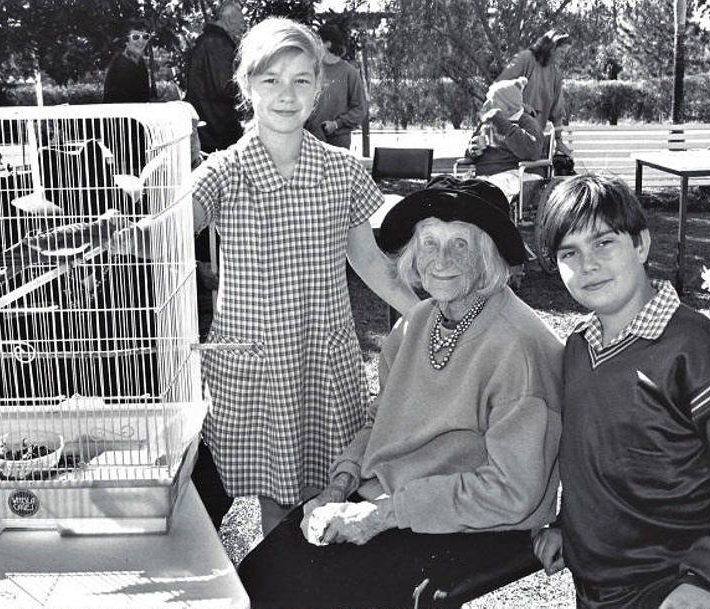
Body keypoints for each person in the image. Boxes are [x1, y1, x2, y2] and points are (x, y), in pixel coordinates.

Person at [236, 175, 564, 609]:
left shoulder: (517, 349)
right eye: (429, 242)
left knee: (308, 597)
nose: (441, 259)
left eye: (460, 245)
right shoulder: (415, 323)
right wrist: (339, 485)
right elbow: (380, 420)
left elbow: (511, 492)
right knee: (257, 578)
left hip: (474, 522)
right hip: (394, 501)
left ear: (488, 259)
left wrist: (382, 515)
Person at [188, 17, 420, 537]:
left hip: (321, 354)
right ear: (247, 87)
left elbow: (368, 260)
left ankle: (312, 578)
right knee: (273, 500)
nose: (286, 95)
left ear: (318, 89)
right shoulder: (223, 171)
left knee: (323, 492)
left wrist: (426, 314)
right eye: (270, 80)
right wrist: (128, 218)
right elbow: (169, 226)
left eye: (300, 80)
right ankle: (280, 581)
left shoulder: (341, 170)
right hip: (258, 363)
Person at [532, 174, 710, 609]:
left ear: (641, 245)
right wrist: (567, 524)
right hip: (595, 589)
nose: (587, 264)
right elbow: (596, 459)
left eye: (603, 243)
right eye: (569, 253)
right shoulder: (578, 348)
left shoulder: (700, 350)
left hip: (676, 587)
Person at [185, 0, 246, 340]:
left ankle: (214, 277)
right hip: (219, 136)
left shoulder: (203, 43)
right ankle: (219, 280)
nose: (242, 25)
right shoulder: (219, 45)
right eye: (238, 20)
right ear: (224, 20)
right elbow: (228, 88)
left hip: (209, 133)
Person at [464, 76, 545, 200]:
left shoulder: (527, 122)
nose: (487, 105)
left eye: (493, 101)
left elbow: (532, 151)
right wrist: (472, 151)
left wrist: (503, 124)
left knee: (491, 190)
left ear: (508, 105)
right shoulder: (487, 123)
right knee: (459, 190)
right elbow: (469, 154)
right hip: (485, 176)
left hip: (517, 174)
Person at [497, 29, 573, 158]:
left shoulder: (555, 74)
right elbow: (499, 90)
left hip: (532, 143)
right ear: (551, 47)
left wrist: (559, 141)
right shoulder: (525, 59)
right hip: (507, 140)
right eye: (561, 52)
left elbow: (557, 113)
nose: (563, 56)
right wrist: (521, 107)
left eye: (566, 53)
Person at [185, 0, 246, 153]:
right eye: (241, 21)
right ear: (228, 20)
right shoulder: (218, 44)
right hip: (216, 128)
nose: (242, 27)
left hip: (206, 125)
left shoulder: (206, 41)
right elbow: (225, 87)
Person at [303, 23, 366, 149]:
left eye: (317, 41)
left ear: (327, 44)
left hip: (339, 141)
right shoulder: (311, 70)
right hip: (311, 139)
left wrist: (337, 124)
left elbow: (359, 109)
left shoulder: (350, 73)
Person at [103, 18, 152, 103]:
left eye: (145, 37)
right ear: (126, 41)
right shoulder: (121, 65)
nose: (141, 41)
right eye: (136, 37)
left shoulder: (140, 62)